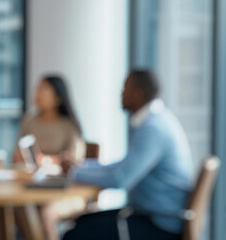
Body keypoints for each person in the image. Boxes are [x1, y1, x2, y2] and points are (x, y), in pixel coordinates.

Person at [61, 70, 194, 240]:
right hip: (154, 215)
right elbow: (122, 167)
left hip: (159, 224)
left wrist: (74, 173)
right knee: (82, 223)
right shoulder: (155, 120)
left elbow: (120, 178)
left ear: (137, 93)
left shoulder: (152, 129)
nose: (121, 94)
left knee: (75, 234)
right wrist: (82, 166)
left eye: (125, 88)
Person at [13, 75, 86, 240]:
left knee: (45, 213)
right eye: (37, 89)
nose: (37, 94)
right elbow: (15, 154)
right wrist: (21, 158)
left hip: (67, 192)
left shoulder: (69, 126)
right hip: (33, 187)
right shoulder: (29, 121)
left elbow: (74, 161)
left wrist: (45, 159)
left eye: (43, 90)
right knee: (20, 210)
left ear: (58, 97)